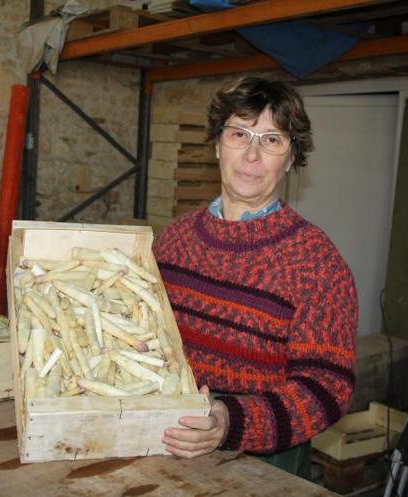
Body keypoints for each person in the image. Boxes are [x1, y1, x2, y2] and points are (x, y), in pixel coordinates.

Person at [153, 77, 358, 479]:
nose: (251, 154)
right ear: (216, 144)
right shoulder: (171, 243)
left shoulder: (318, 264)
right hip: (163, 442)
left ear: (290, 159)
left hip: (264, 466)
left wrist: (230, 421)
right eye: (238, 134)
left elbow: (326, 388)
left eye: (271, 140)